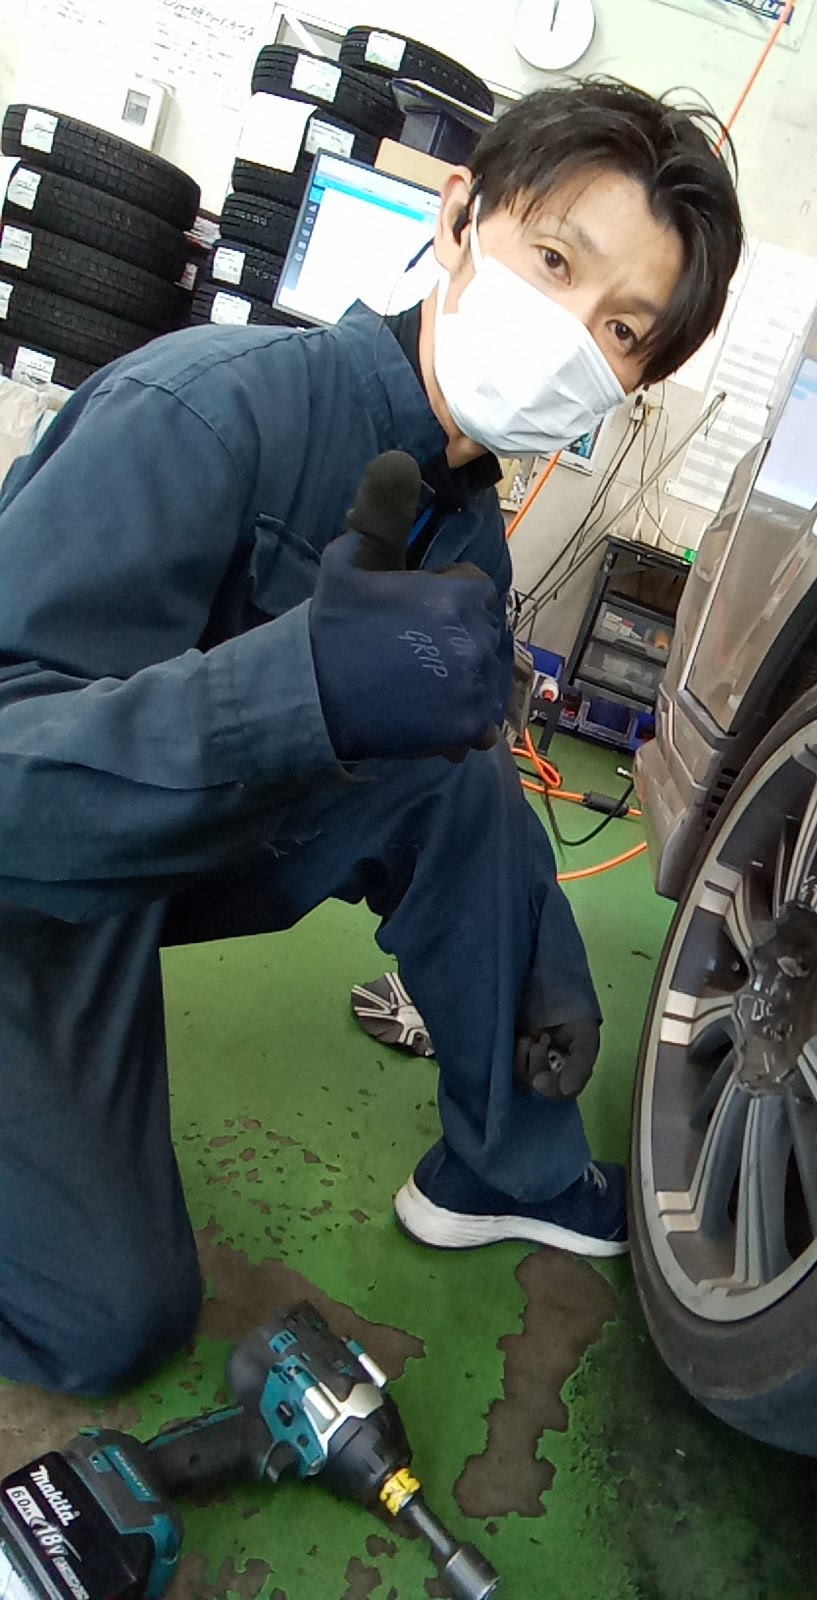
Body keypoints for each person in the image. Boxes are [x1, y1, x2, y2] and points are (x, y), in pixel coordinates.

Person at [0, 79, 743, 1395]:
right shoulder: (202, 411)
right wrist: (302, 688)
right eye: (555, 261)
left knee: (457, 777)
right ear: (459, 218)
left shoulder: (466, 540)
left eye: (623, 329)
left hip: (157, 853)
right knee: (110, 1319)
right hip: (26, 884)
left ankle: (506, 1166)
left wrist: (535, 983)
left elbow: (446, 790)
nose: (573, 333)